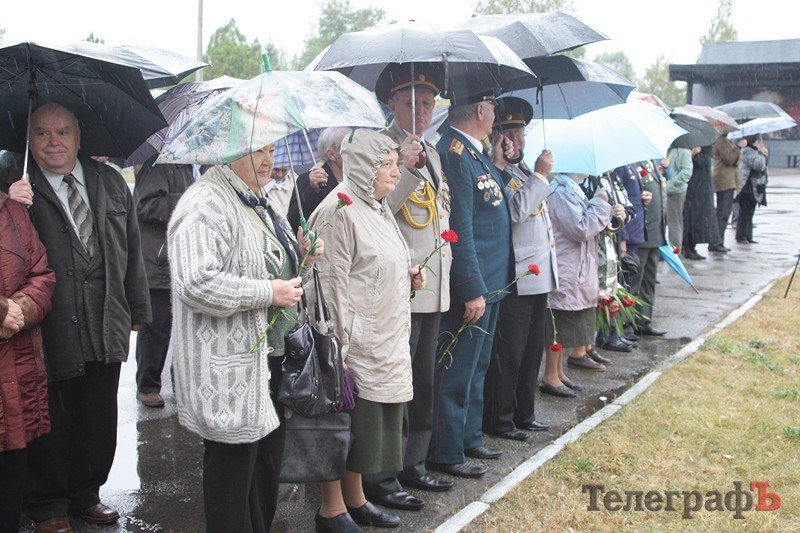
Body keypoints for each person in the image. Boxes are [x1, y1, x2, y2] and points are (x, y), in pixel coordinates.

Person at [2, 102, 151, 533]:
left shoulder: (108, 181)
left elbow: (132, 248)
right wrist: (10, 203)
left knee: (98, 416)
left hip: (106, 318)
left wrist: (139, 307)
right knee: (52, 418)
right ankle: (47, 504)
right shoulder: (16, 183)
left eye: (63, 131)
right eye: (42, 133)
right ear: (28, 140)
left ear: (79, 138)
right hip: (49, 325)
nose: (54, 141)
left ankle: (87, 493)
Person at [168, 142, 323, 532]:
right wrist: (266, 292)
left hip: (268, 364)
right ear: (226, 152)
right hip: (229, 371)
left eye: (271, 149)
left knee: (264, 475)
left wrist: (302, 257)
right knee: (232, 480)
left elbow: (283, 277)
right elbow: (195, 282)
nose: (268, 160)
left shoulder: (260, 201)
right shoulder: (205, 202)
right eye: (256, 150)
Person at [309, 128, 425, 532]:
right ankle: (331, 511)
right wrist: (336, 348)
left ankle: (355, 501)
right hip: (353, 343)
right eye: (387, 165)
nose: (396, 173)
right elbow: (327, 282)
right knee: (343, 429)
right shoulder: (339, 210)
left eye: (396, 163)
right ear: (363, 167)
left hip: (381, 336)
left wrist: (405, 274)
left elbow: (375, 263)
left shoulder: (373, 206)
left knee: (365, 432)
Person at [361, 65, 454, 512]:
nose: (419, 110)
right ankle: (385, 473)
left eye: (426, 103)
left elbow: (439, 217)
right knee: (395, 382)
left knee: (423, 379)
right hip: (401, 287)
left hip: (433, 285)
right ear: (391, 105)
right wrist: (405, 169)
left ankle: (415, 463)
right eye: (410, 102)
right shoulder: (383, 149)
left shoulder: (433, 152)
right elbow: (375, 210)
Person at [427, 90, 512, 479]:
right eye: (493, 108)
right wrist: (472, 287)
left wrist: (504, 160)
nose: (495, 116)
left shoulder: (473, 151)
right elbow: (461, 226)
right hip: (475, 283)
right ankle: (446, 450)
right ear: (481, 110)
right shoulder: (455, 153)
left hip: (490, 279)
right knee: (456, 369)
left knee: (476, 366)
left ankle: (468, 435)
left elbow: (491, 205)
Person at [483, 97, 555, 441]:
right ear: (496, 137)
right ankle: (501, 418)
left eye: (521, 133)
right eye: (509, 132)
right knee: (509, 353)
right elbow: (516, 211)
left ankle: (525, 411)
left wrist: (535, 175)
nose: (518, 140)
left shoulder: (522, 172)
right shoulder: (495, 172)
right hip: (516, 276)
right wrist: (541, 176)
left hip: (538, 275)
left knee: (530, 350)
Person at [0, 189, 55, 533]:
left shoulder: (14, 210)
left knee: (11, 477)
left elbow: (42, 274)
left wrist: (21, 308)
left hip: (15, 375)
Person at [541, 173, 617, 398]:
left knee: (565, 325)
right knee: (557, 324)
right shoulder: (560, 191)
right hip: (566, 266)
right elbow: (580, 228)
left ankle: (559, 372)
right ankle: (550, 376)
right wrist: (601, 204)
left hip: (576, 265)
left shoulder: (572, 188)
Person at [133, 155, 196, 408]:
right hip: (158, 261)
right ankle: (147, 385)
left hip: (184, 262)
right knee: (155, 328)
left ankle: (180, 384)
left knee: (184, 329)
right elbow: (144, 205)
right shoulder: (157, 164)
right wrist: (186, 202)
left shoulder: (189, 167)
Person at [630, 160, 670, 337]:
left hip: (655, 232)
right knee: (634, 281)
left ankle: (643, 320)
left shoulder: (653, 162)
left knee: (649, 280)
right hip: (641, 232)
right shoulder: (634, 161)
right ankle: (626, 323)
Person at [286, 127, 350, 231]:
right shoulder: (306, 179)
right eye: (347, 146)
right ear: (332, 154)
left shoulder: (355, 178)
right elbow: (294, 222)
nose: (353, 152)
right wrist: (313, 191)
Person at [682, 146, 720, 260]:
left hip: (702, 189)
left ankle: (692, 247)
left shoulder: (705, 148)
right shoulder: (694, 148)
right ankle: (687, 247)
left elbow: (703, 163)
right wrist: (693, 155)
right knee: (691, 219)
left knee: (698, 220)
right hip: (694, 189)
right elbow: (699, 163)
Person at [709, 134, 741, 252]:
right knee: (723, 212)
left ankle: (718, 241)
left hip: (728, 180)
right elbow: (729, 159)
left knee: (725, 212)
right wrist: (738, 148)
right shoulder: (721, 141)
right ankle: (716, 242)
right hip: (724, 181)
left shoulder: (726, 141)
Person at [735, 135, 768, 244]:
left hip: (755, 186)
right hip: (746, 186)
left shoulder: (754, 151)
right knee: (745, 212)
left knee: (750, 212)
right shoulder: (747, 151)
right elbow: (759, 165)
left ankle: (748, 236)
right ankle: (741, 236)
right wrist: (762, 154)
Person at [666, 144, 693, 251]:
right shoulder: (672, 150)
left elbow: (687, 172)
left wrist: (671, 183)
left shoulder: (684, 151)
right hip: (668, 190)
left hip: (676, 191)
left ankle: (675, 250)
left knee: (674, 222)